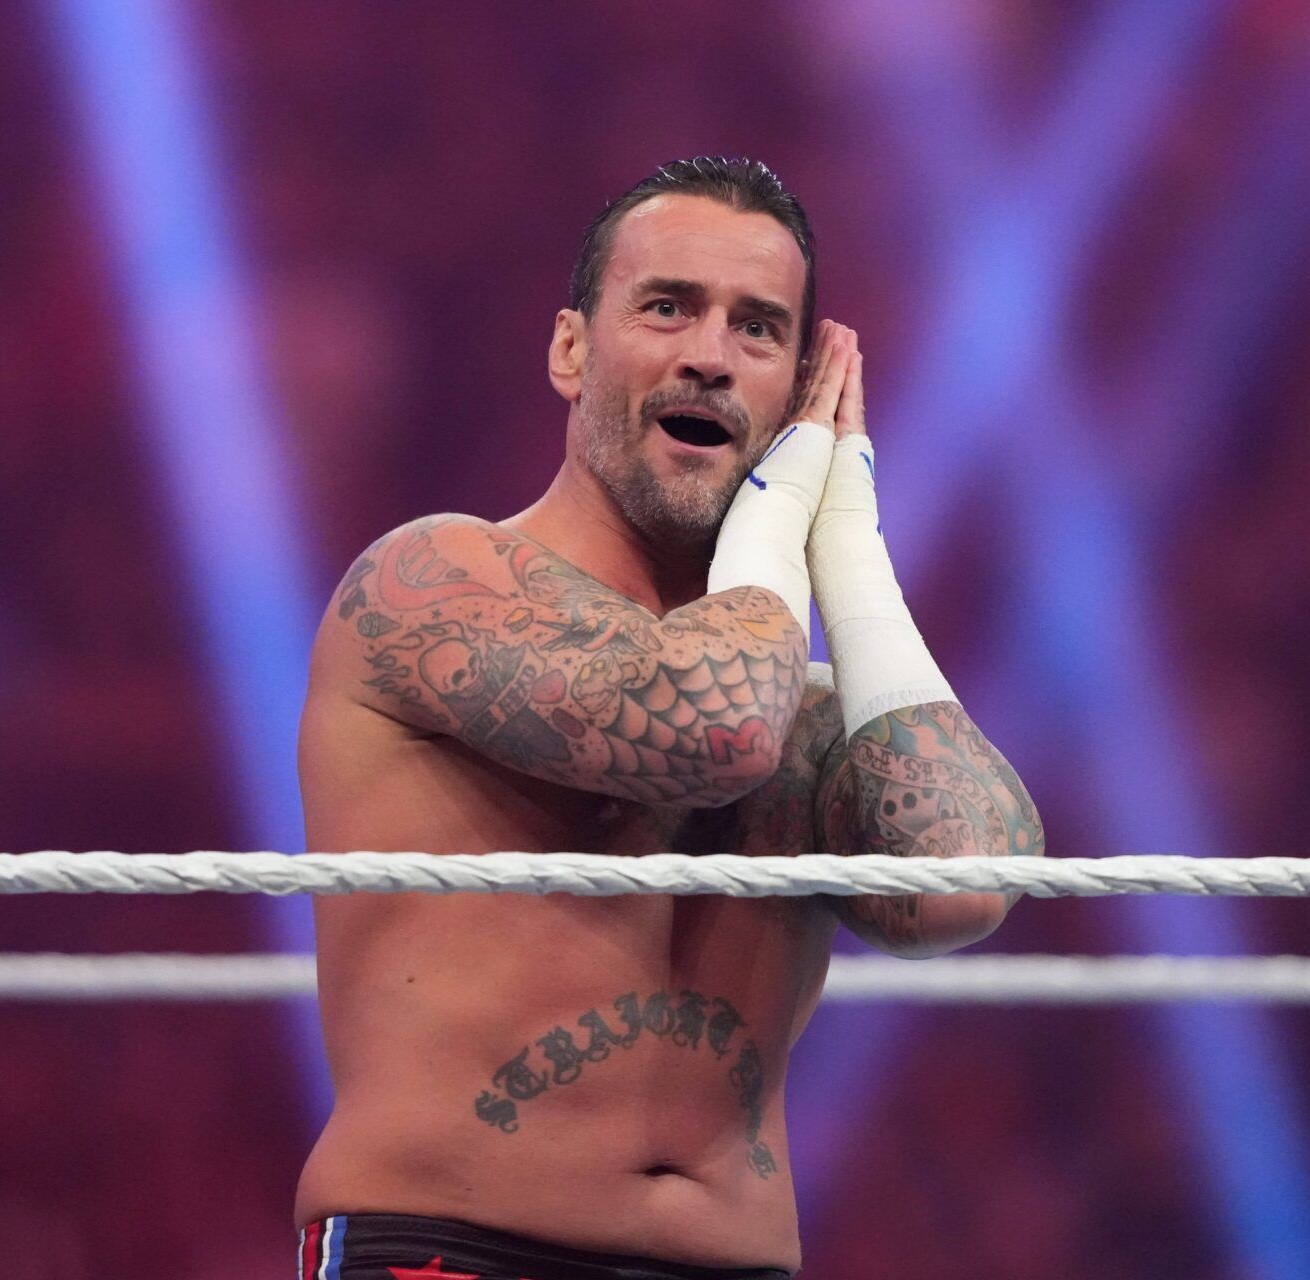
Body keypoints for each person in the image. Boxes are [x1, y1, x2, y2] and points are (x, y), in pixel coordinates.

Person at [294, 156, 1043, 1280]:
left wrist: (850, 547)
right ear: (569, 349)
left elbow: (966, 880)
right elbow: (715, 732)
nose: (708, 352)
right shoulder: (432, 583)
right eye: (667, 306)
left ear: (798, 396)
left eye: (757, 328)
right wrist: (782, 507)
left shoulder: (805, 704)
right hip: (452, 1245)